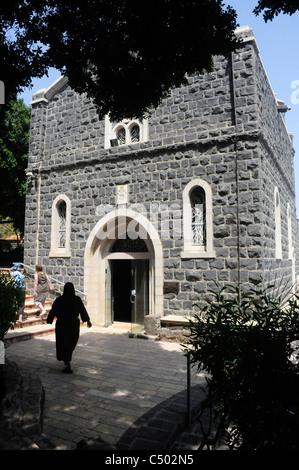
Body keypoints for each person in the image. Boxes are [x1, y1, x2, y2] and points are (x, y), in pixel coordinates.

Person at [46, 282, 92, 373]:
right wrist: (88, 321)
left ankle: (67, 360)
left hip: (62, 324)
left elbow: (53, 310)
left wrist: (49, 319)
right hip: (73, 324)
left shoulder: (59, 300)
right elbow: (82, 310)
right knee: (70, 342)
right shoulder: (77, 299)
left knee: (63, 342)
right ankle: (68, 363)